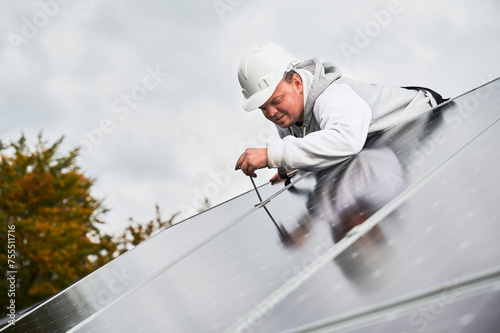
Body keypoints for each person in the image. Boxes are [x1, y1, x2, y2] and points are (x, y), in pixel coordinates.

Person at [234, 42, 446, 182]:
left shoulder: (331, 96)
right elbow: (317, 148)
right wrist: (288, 167)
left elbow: (346, 139)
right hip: (384, 148)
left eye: (276, 101)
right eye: (263, 108)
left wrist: (273, 155)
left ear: (297, 83)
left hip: (423, 125)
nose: (272, 113)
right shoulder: (287, 119)